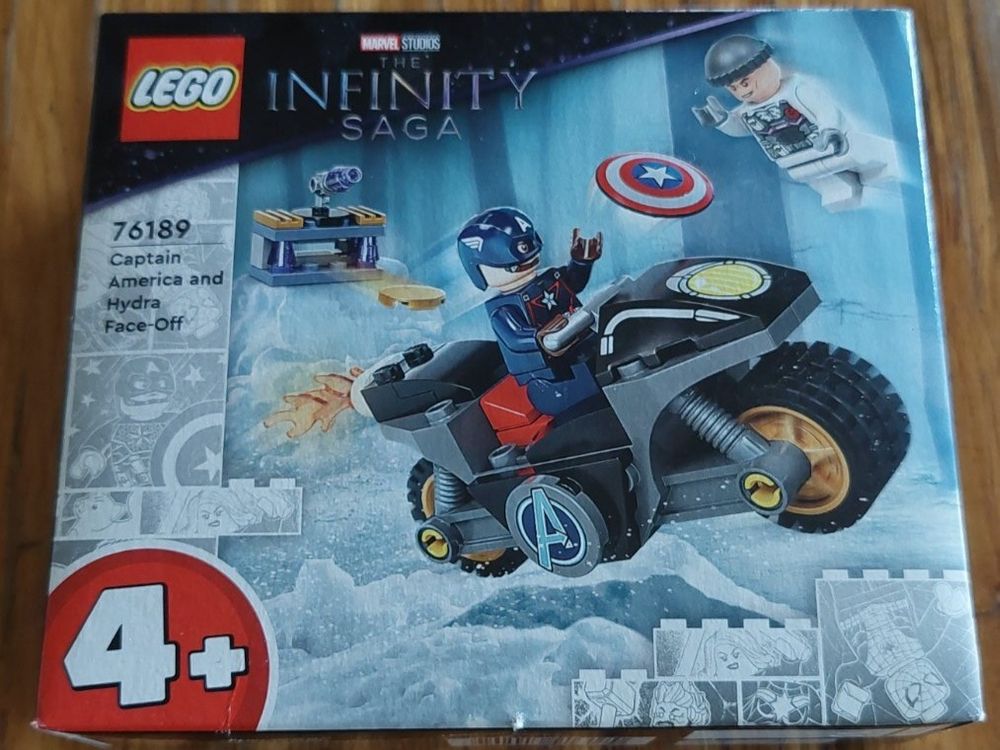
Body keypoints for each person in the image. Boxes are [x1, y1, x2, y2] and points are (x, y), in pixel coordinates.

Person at [692, 34, 896, 212]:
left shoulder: (796, 89)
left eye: (745, 82)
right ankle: (844, 193)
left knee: (867, 157)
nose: (742, 91)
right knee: (828, 186)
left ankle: (885, 169)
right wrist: (723, 121)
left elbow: (823, 107)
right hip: (795, 161)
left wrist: (830, 129)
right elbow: (742, 128)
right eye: (734, 88)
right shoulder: (745, 111)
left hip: (834, 144)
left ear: (765, 66)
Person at [457, 207, 602, 418]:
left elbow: (574, 283)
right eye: (514, 267)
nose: (527, 264)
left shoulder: (549, 279)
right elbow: (516, 336)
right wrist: (540, 337)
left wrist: (581, 262)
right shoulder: (503, 309)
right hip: (553, 378)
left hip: (583, 345)